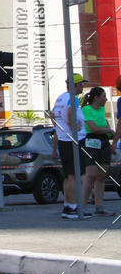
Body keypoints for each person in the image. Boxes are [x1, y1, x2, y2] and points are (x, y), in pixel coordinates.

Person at [50, 74, 90, 219]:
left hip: (63, 139)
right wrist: (73, 127)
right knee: (74, 175)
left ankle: (68, 205)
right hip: (74, 140)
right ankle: (73, 207)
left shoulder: (60, 97)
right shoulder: (72, 98)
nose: (83, 87)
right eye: (81, 85)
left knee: (68, 176)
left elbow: (52, 114)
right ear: (76, 85)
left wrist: (60, 128)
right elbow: (69, 113)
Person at [81, 86, 114, 216]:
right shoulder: (86, 109)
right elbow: (92, 127)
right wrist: (109, 131)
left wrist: (109, 132)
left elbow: (105, 124)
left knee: (101, 176)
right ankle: (82, 206)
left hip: (104, 142)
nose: (105, 99)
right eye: (103, 96)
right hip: (92, 141)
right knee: (91, 175)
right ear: (96, 97)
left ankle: (99, 206)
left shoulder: (101, 110)